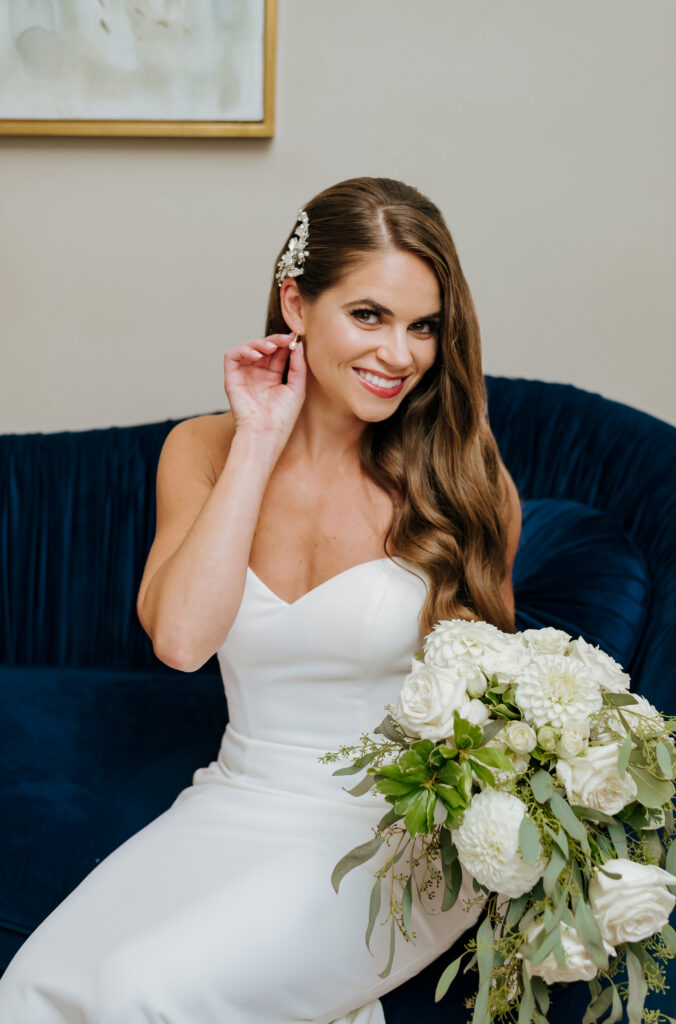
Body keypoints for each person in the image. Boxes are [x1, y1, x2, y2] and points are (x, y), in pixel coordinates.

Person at [0, 176, 522, 1023]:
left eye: (424, 327)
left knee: (144, 992)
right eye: (369, 316)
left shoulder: (464, 484)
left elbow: (489, 712)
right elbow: (180, 640)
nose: (401, 355)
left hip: (393, 841)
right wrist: (260, 440)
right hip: (237, 799)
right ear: (296, 303)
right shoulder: (202, 448)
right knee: (32, 991)